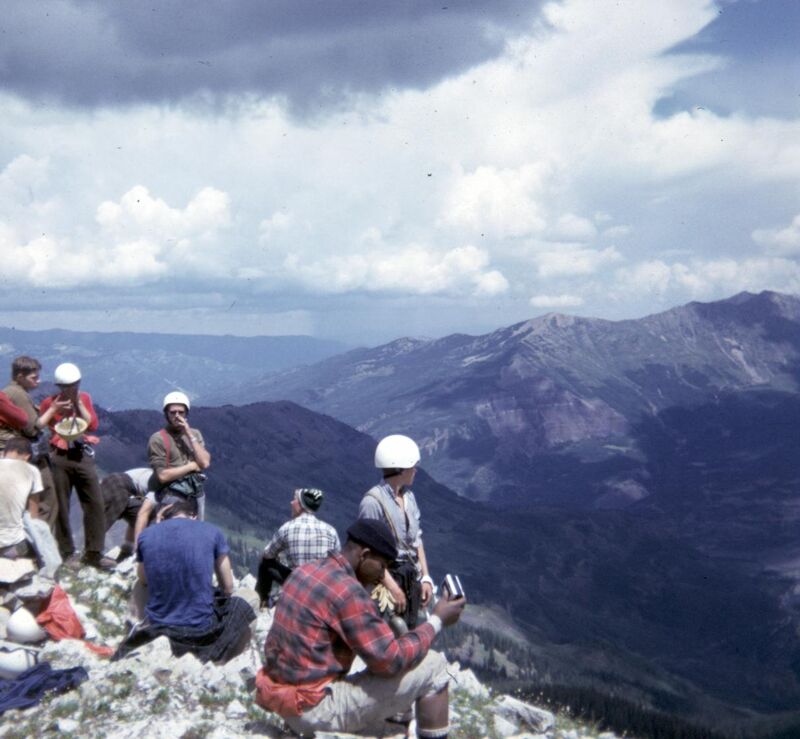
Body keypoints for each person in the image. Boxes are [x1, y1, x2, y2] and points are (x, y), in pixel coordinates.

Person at [255, 518, 465, 738]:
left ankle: (391, 722)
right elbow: (391, 660)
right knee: (435, 665)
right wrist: (437, 621)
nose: (382, 576)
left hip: (279, 696)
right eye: (382, 567)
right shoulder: (348, 591)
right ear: (364, 555)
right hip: (311, 707)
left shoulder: (305, 570)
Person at [114, 495, 257, 664]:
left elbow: (144, 579)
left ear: (163, 516)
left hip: (160, 630)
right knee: (251, 598)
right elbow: (228, 586)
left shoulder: (147, 535)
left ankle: (138, 625)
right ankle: (228, 659)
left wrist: (159, 526)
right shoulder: (212, 532)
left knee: (140, 583)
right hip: (201, 632)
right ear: (193, 516)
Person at [39, 362, 114, 570]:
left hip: (81, 454)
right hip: (59, 455)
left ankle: (94, 552)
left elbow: (92, 424)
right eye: (66, 386)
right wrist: (56, 409)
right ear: (59, 386)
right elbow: (42, 424)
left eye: (74, 385)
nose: (70, 389)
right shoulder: (49, 403)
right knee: (61, 504)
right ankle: (67, 552)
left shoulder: (85, 399)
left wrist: (78, 403)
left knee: (94, 502)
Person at [358, 434, 434, 629]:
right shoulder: (372, 502)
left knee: (406, 634)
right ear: (399, 468)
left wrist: (425, 577)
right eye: (412, 466)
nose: (415, 470)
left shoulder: (410, 498)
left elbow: (417, 541)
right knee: (387, 638)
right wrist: (392, 587)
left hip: (410, 578)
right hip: (386, 581)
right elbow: (368, 555)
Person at [133, 391, 210, 547]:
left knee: (197, 528)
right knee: (144, 513)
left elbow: (205, 462)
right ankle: (138, 551)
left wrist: (188, 433)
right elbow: (162, 476)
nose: (177, 416)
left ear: (186, 413)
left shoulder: (194, 434)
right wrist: (191, 466)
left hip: (193, 488)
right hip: (164, 488)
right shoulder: (158, 439)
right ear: (166, 414)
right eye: (173, 412)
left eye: (181, 412)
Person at [1, 356, 60, 533]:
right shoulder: (18, 394)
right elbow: (32, 429)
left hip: (12, 453)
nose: (38, 381)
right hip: (22, 453)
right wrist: (53, 409)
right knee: (46, 498)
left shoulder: (11, 392)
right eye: (33, 378)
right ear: (20, 376)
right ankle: (39, 545)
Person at [256, 488, 340, 606]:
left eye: (294, 499)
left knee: (265, 563)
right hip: (322, 588)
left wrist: (277, 557)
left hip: (297, 585)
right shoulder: (331, 531)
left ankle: (262, 602)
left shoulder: (288, 528)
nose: (291, 502)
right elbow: (338, 563)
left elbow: (268, 554)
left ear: (301, 505)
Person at [0, 438, 43, 560]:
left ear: (4, 453)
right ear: (27, 457)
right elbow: (34, 515)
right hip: (11, 544)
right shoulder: (32, 471)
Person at [100, 468, 155, 561]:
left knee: (102, 521)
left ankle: (126, 552)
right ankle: (90, 554)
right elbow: (143, 514)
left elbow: (136, 517)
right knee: (148, 518)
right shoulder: (160, 489)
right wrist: (139, 548)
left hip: (113, 481)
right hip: (119, 485)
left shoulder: (154, 477)